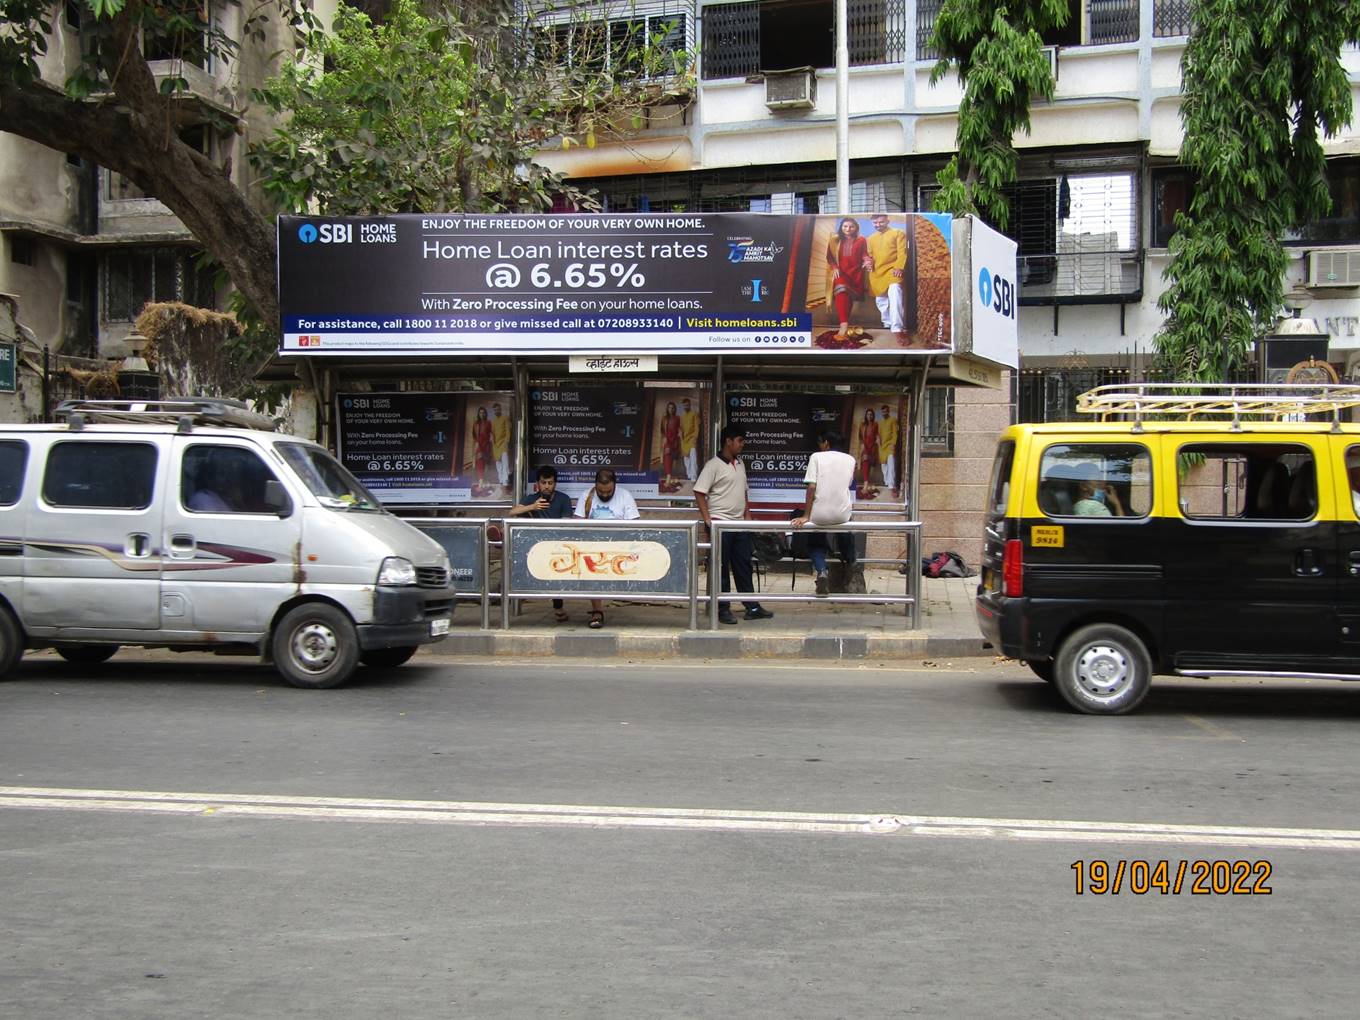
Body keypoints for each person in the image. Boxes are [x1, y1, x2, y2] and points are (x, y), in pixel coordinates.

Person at [693, 425, 773, 625]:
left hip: (740, 524)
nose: (742, 445)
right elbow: (699, 492)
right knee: (721, 568)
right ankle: (722, 608)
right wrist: (707, 519)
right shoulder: (713, 465)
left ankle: (752, 607)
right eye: (740, 440)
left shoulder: (740, 463)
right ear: (728, 441)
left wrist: (748, 514)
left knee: (743, 566)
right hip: (720, 524)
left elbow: (744, 491)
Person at [791, 430, 858, 596]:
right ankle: (850, 563)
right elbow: (847, 485)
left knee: (815, 541)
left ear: (826, 443)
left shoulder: (817, 457)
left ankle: (821, 571)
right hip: (842, 513)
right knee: (845, 533)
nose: (819, 446)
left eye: (820, 443)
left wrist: (806, 515)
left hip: (819, 513)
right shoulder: (850, 460)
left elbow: (812, 487)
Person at [574, 468, 640, 629]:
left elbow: (634, 525)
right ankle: (597, 610)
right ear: (595, 485)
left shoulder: (625, 496)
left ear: (615, 485)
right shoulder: (586, 495)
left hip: (619, 545)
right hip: (593, 546)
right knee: (593, 576)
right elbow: (577, 521)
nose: (604, 495)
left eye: (608, 491)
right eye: (600, 491)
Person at [509, 465, 575, 622]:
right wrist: (533, 507)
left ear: (555, 484)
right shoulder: (532, 498)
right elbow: (512, 512)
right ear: (538, 483)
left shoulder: (563, 499)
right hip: (533, 545)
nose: (547, 486)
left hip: (557, 544)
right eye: (544, 482)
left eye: (550, 483)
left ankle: (558, 606)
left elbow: (566, 524)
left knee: (556, 571)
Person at [825, 217, 869, 341]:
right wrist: (834, 267)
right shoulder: (835, 240)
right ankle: (843, 325)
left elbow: (864, 254)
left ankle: (845, 322)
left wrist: (867, 260)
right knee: (842, 291)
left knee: (847, 296)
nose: (848, 229)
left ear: (856, 228)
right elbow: (829, 257)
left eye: (851, 226)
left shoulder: (861, 240)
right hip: (841, 272)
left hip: (856, 273)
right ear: (841, 227)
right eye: (845, 226)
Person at [866, 214, 908, 340]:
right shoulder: (871, 238)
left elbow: (903, 252)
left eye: (881, 222)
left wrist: (899, 267)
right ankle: (887, 322)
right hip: (877, 272)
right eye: (875, 223)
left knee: (895, 292)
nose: (878, 225)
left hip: (893, 269)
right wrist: (869, 262)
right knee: (881, 300)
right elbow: (870, 255)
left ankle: (897, 328)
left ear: (887, 221)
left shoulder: (898, 233)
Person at [877, 403, 899, 499]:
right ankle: (886, 481)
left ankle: (891, 484)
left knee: (891, 464)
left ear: (888, 411)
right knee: (883, 465)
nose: (884, 413)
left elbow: (895, 433)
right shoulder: (880, 423)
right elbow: (879, 434)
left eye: (886, 411)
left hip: (890, 445)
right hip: (882, 446)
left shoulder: (893, 420)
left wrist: (893, 444)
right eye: (883, 411)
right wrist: (879, 443)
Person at [857, 407, 880, 497]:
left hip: (872, 447)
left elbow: (877, 435)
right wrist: (862, 444)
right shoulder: (862, 425)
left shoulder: (875, 424)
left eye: (871, 414)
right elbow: (860, 436)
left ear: (873, 416)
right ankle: (866, 484)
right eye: (868, 414)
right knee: (865, 464)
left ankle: (867, 483)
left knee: (869, 465)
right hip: (864, 447)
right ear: (866, 415)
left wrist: (877, 442)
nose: (869, 416)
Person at [659, 400, 682, 491]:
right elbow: (662, 429)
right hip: (667, 441)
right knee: (667, 458)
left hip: (675, 441)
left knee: (673, 459)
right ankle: (668, 477)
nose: (671, 409)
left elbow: (679, 429)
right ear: (667, 409)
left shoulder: (678, 418)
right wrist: (664, 438)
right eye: (669, 408)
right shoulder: (664, 418)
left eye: (673, 408)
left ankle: (670, 477)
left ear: (675, 409)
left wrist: (680, 436)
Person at [470, 405, 493, 493]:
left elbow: (490, 434)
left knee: (485, 464)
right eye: (480, 412)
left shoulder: (488, 422)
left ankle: (483, 483)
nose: (482, 414)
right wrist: (476, 445)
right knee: (479, 463)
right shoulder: (475, 423)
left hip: (486, 445)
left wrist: (490, 444)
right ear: (478, 414)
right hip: (478, 445)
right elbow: (474, 436)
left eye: (483, 412)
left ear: (485, 414)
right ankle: (480, 484)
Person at [680, 397, 701, 480]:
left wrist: (695, 437)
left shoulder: (694, 414)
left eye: (687, 405)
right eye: (684, 405)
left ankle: (694, 476)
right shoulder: (682, 416)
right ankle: (689, 474)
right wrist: (681, 437)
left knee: (693, 457)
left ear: (690, 405)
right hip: (684, 440)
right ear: (683, 406)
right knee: (686, 458)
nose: (686, 407)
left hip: (692, 438)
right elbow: (681, 428)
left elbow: (697, 427)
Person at [491, 402, 511, 489]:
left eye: (498, 409)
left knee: (505, 462)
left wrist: (506, 441)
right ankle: (501, 480)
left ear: (500, 409)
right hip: (495, 445)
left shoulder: (505, 418)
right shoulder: (493, 420)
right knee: (498, 463)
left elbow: (508, 431)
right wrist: (492, 442)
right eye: (495, 410)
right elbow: (492, 432)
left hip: (503, 443)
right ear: (494, 411)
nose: (497, 411)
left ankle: (505, 480)